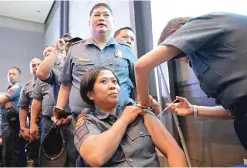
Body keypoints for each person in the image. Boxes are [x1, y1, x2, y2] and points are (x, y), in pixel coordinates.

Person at [134, 12, 247, 150]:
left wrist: (144, 101)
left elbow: (141, 65)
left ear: (176, 34)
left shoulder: (197, 25)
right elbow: (233, 111)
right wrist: (193, 109)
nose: (185, 61)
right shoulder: (224, 55)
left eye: (178, 56)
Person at [74, 66, 187, 167]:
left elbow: (173, 150)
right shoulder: (87, 121)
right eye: (104, 82)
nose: (112, 86)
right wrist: (124, 120)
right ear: (90, 94)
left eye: (114, 81)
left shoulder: (139, 113)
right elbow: (96, 157)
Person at [54, 3, 137, 124]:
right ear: (89, 22)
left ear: (113, 22)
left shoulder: (127, 51)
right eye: (96, 15)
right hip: (81, 121)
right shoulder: (75, 49)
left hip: (122, 120)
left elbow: (138, 84)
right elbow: (66, 84)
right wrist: (60, 109)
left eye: (106, 15)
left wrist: (139, 106)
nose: (101, 18)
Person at [18, 58, 42, 166]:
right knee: (36, 156)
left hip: (52, 122)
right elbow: (23, 107)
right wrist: (23, 128)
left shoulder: (53, 82)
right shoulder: (27, 87)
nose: (36, 67)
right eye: (33, 65)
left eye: (39, 64)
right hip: (35, 124)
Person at [0, 67, 24, 166]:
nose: (11, 76)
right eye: (9, 74)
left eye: (14, 74)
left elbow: (1, 101)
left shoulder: (17, 87)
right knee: (7, 155)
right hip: (6, 125)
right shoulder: (10, 88)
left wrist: (4, 99)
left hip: (13, 125)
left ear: (19, 76)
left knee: (12, 156)